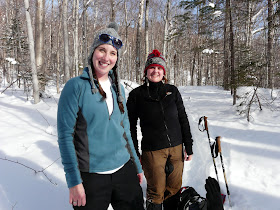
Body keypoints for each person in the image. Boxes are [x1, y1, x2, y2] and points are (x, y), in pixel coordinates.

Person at [57, 22, 144, 210]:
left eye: (113, 53)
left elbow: (125, 131)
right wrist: (73, 182)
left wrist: (136, 165)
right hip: (91, 176)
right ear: (92, 52)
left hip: (124, 170)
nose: (106, 57)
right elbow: (65, 137)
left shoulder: (118, 89)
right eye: (102, 50)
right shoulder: (75, 87)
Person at [127, 49, 194, 210]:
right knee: (156, 192)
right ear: (146, 71)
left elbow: (183, 119)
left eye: (159, 68)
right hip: (153, 151)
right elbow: (129, 127)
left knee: (174, 189)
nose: (155, 71)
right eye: (152, 67)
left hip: (177, 148)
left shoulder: (173, 91)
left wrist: (188, 146)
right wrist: (135, 154)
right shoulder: (137, 95)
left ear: (164, 72)